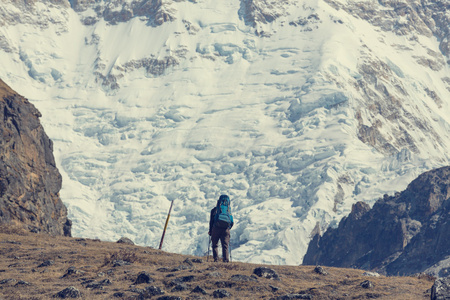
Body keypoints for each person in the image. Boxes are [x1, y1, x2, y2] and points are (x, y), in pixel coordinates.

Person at [209, 195, 234, 262]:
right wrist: (228, 228)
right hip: (226, 229)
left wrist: (210, 231)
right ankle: (226, 260)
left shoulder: (214, 210)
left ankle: (216, 259)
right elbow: (232, 222)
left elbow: (211, 221)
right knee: (225, 245)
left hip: (216, 228)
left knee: (215, 244)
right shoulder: (228, 210)